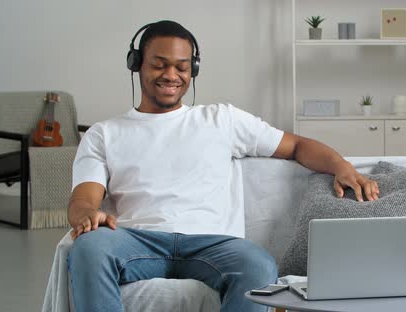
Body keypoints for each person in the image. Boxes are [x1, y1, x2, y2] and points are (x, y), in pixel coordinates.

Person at [67, 20, 379, 312]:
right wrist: (85, 215)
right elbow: (83, 200)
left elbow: (296, 145)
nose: (171, 75)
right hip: (137, 239)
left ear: (194, 70)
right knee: (89, 248)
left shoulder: (221, 119)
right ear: (137, 65)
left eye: (182, 67)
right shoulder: (104, 133)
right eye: (159, 64)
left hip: (211, 243)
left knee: (258, 266)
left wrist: (341, 165)